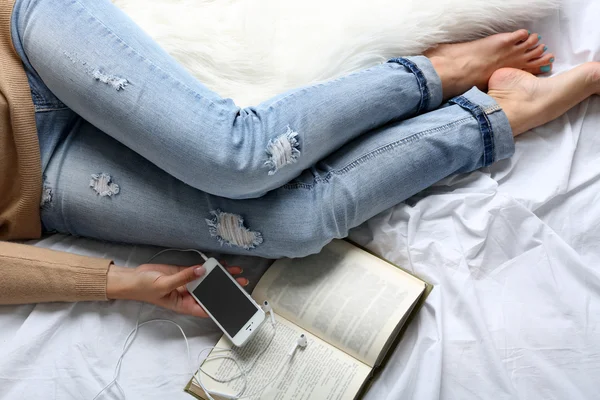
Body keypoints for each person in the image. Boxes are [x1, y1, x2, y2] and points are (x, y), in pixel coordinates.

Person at [1, 0, 598, 317]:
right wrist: (116, 283)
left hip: (25, 47)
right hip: (36, 185)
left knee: (236, 157)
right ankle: (501, 114)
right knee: (289, 226)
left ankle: (435, 72)